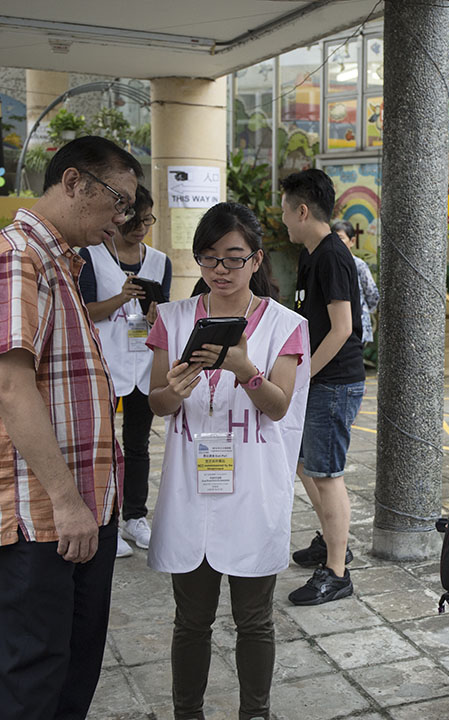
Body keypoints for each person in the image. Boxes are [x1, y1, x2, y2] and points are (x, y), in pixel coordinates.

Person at [0, 136, 142, 719]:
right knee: (35, 669)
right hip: (41, 512)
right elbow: (12, 386)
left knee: (74, 662)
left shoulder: (60, 261)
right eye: (118, 199)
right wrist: (65, 500)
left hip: (80, 504)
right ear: (74, 182)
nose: (122, 217)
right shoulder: (17, 258)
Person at [145, 202, 309, 720]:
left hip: (252, 490)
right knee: (190, 621)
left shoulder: (285, 325)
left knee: (254, 619)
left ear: (257, 260)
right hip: (190, 489)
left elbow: (279, 407)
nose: (220, 269)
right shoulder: (171, 319)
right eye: (209, 257)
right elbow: (156, 402)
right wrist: (171, 391)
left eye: (234, 258)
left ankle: (253, 713)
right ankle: (186, 713)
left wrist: (245, 369)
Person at [281, 169, 363, 605]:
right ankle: (332, 539)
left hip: (333, 383)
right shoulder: (311, 252)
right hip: (320, 380)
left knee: (327, 475)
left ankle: (337, 570)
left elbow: (342, 328)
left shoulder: (331, 254)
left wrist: (303, 375)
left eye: (284, 211)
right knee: (306, 465)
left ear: (302, 209)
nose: (282, 221)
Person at [79, 186, 172, 559]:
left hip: (144, 364)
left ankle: (135, 516)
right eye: (135, 220)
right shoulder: (91, 255)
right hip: (107, 362)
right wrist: (122, 296)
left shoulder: (160, 261)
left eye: (147, 220)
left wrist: (155, 314)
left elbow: (162, 312)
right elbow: (84, 311)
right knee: (103, 446)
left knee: (137, 445)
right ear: (118, 216)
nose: (141, 228)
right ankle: (108, 521)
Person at [331, 219, 379, 345]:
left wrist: (363, 310)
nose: (336, 243)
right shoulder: (330, 265)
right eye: (333, 239)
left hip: (358, 325)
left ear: (352, 241)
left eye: (341, 238)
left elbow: (372, 294)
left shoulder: (359, 265)